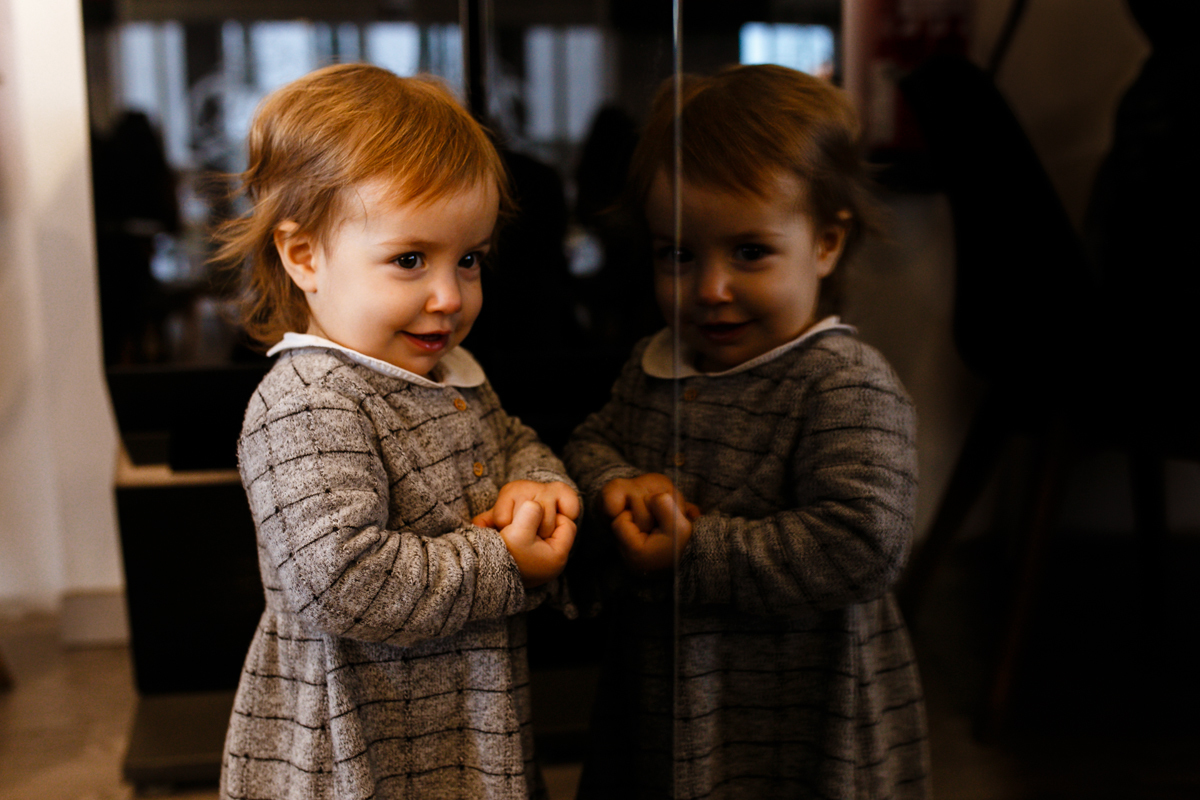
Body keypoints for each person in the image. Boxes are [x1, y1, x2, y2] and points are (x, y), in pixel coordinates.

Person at [212, 63, 579, 800]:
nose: (449, 296)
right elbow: (345, 582)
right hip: (356, 746)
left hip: (471, 721)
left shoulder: (451, 373)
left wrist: (538, 485)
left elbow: (513, 440)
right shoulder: (307, 402)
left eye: (468, 260)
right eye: (410, 260)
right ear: (305, 256)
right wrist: (506, 564)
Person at [564, 64, 929, 799]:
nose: (710, 289)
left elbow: (862, 543)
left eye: (750, 252)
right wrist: (616, 487)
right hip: (664, 703)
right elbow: (591, 443)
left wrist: (692, 554)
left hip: (804, 715)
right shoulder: (655, 363)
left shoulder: (841, 380)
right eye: (678, 254)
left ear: (826, 244)